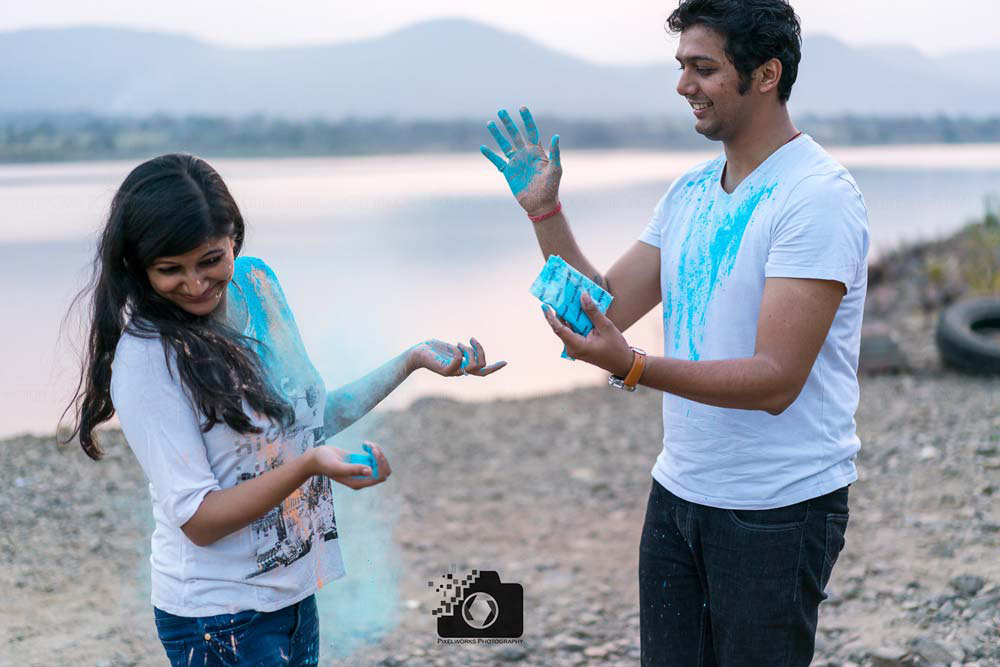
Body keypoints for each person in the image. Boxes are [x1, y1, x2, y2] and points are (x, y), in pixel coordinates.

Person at [479, 0, 869, 664]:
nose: (684, 84)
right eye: (682, 66)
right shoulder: (688, 192)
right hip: (679, 492)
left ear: (766, 74)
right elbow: (604, 307)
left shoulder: (817, 196)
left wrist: (633, 366)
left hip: (778, 508)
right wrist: (546, 213)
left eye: (703, 67)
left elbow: (776, 379)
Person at [61, 153, 505, 666]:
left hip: (291, 593)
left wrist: (409, 362)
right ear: (139, 268)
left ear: (234, 239)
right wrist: (311, 466)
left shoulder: (257, 285)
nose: (195, 283)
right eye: (170, 270)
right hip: (216, 614)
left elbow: (303, 421)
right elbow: (199, 520)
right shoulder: (148, 356)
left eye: (210, 259)